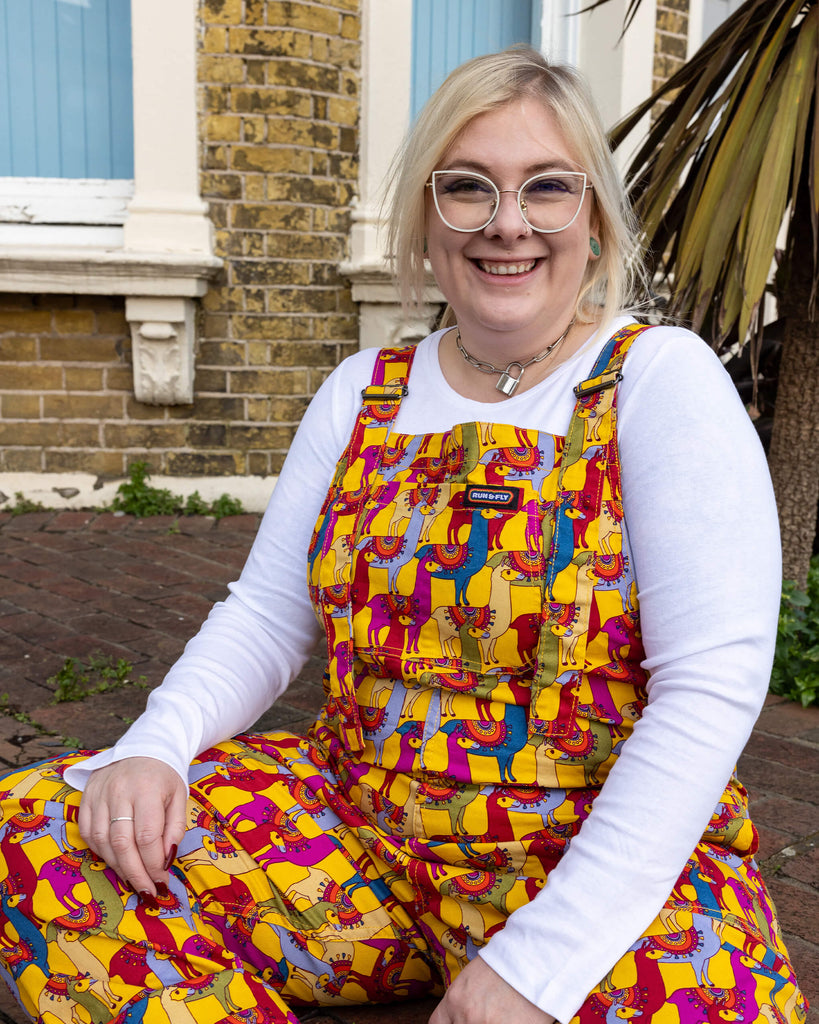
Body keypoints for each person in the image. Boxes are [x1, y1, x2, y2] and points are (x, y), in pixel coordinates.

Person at [0, 46, 806, 1024]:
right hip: (356, 841)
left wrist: (537, 967)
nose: (507, 222)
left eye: (547, 188)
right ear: (427, 218)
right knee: (52, 827)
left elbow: (707, 692)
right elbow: (265, 615)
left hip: (599, 862)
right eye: (467, 187)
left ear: (592, 219)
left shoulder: (656, 380)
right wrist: (154, 747)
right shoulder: (363, 393)